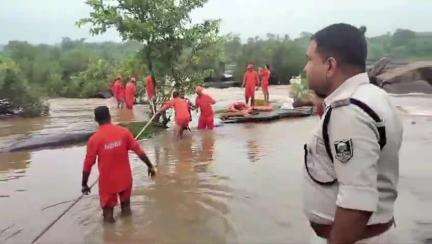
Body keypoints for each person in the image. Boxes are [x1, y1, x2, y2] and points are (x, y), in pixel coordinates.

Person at [302, 23, 403, 244]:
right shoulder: (373, 96)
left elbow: (357, 201)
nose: (306, 68)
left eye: (310, 60)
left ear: (330, 65)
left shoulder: (349, 112)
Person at [81, 106, 157, 223]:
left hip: (108, 182)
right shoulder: (124, 132)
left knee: (108, 214)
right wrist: (150, 166)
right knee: (126, 208)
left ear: (96, 120)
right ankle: (128, 234)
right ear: (110, 117)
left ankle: (112, 237)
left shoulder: (94, 139)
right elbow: (139, 151)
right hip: (125, 179)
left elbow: (88, 164)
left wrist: (84, 184)